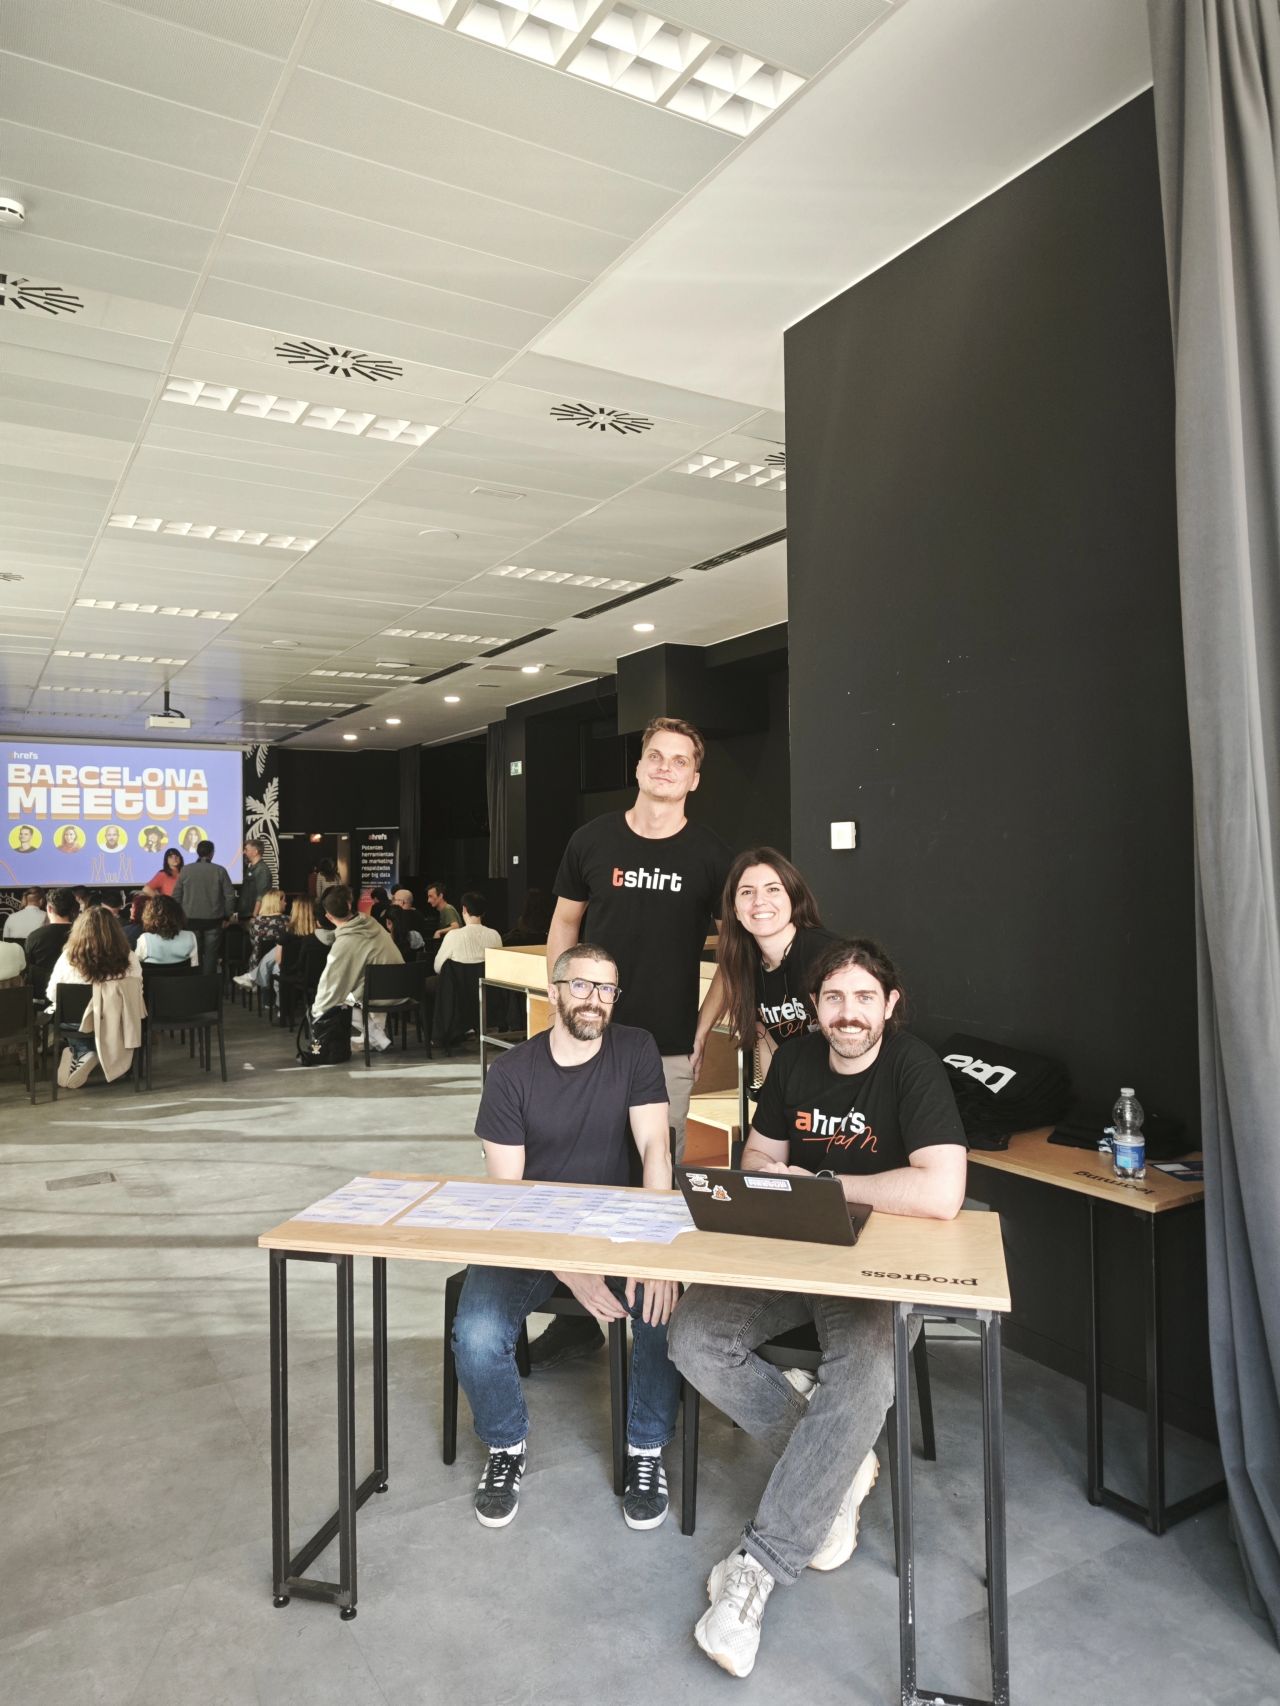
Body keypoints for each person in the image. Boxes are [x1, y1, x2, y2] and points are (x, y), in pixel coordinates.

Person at [667, 939, 967, 1679]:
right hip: (793, 1249)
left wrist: (826, 1183)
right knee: (694, 1336)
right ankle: (839, 1461)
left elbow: (940, 1192)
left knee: (866, 1374)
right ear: (816, 1008)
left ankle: (758, 1568)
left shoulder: (913, 1067)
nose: (849, 1014)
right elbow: (756, 1163)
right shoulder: (797, 1060)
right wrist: (790, 1181)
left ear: (889, 1005)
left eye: (864, 999)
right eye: (834, 999)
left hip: (876, 1266)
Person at [451, 942, 680, 1531]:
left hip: (619, 1229)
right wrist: (568, 1266)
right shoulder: (510, 1074)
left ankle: (647, 1448)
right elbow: (509, 1196)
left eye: (607, 989)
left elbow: (656, 1150)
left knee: (663, 1309)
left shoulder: (635, 1049)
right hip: (531, 1233)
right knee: (475, 1333)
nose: (595, 1001)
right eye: (582, 986)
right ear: (553, 991)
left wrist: (656, 1248)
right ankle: (506, 1445)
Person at [541, 716, 732, 1367]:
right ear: (640, 765)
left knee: (656, 1182)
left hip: (668, 1047)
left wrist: (705, 1029)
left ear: (694, 778)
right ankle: (581, 1315)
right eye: (656, 756)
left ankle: (656, 1327)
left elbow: (735, 957)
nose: (665, 767)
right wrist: (561, 1005)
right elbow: (563, 925)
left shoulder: (709, 855)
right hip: (592, 1040)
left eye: (680, 760)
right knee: (578, 1170)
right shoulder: (592, 840)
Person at [694, 848, 841, 1075]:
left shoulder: (829, 955)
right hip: (798, 1087)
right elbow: (765, 1039)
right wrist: (770, 1104)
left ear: (793, 896)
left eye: (772, 890)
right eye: (746, 892)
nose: (759, 902)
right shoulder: (746, 964)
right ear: (735, 909)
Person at [45, 905, 145, 1090]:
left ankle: (81, 1051)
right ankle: (91, 1054)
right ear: (116, 931)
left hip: (75, 1022)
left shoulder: (68, 957)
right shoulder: (130, 957)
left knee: (64, 1014)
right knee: (105, 1017)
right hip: (118, 1022)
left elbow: (52, 994)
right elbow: (137, 993)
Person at [311, 885, 403, 1052]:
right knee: (364, 984)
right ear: (350, 903)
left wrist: (317, 1011)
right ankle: (373, 1036)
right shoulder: (371, 923)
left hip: (378, 994)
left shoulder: (345, 943)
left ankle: (377, 1037)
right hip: (404, 985)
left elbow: (332, 984)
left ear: (328, 916)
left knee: (343, 1001)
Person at [171, 840, 235, 975]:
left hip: (190, 920)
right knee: (211, 955)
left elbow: (176, 896)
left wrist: (178, 916)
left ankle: (196, 984)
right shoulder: (220, 871)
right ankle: (208, 985)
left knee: (194, 954)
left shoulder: (186, 870)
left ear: (197, 852)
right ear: (212, 853)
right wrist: (227, 916)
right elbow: (229, 896)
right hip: (214, 920)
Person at [252, 895, 329, 1001]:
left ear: (296, 911)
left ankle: (278, 1004)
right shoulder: (321, 935)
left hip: (293, 975)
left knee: (275, 964)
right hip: (321, 977)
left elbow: (280, 961)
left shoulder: (287, 936)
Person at [23, 888, 79, 1000]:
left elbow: (27, 966)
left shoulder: (35, 937)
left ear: (48, 908)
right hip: (76, 995)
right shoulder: (83, 936)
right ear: (73, 909)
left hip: (41, 996)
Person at [433, 891, 502, 975]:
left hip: (457, 987)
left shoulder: (452, 936)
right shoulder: (495, 935)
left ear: (464, 909)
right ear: (483, 912)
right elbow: (498, 967)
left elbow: (437, 967)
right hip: (485, 987)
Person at [233, 889, 289, 988]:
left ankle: (254, 979)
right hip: (282, 964)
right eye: (284, 900)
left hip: (257, 962)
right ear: (277, 902)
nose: (286, 903)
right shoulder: (287, 921)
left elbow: (253, 943)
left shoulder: (255, 922)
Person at [135, 893, 198, 966]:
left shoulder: (145, 939)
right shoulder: (190, 937)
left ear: (150, 916)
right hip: (182, 976)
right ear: (178, 914)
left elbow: (137, 966)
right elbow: (194, 966)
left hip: (153, 976)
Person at [387, 888, 432, 958]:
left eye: (394, 899)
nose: (392, 902)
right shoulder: (420, 915)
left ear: (401, 902)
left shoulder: (395, 918)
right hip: (415, 962)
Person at [238, 837, 273, 920]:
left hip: (252, 915)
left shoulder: (262, 869)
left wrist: (254, 915)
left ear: (255, 852)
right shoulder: (251, 867)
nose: (244, 852)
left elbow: (261, 894)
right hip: (246, 913)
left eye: (246, 850)